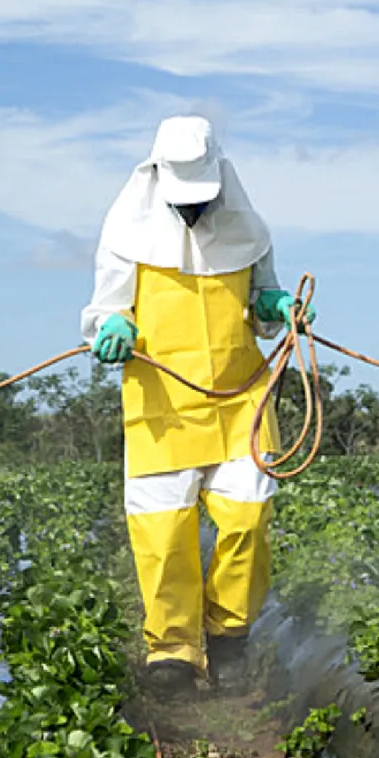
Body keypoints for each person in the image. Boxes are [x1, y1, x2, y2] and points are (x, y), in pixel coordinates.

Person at [81, 116, 310, 694]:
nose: (193, 213)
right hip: (162, 404)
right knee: (164, 533)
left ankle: (229, 635)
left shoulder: (247, 230)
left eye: (201, 201)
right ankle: (173, 651)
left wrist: (276, 305)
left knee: (249, 519)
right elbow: (106, 309)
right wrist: (111, 327)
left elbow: (260, 305)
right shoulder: (124, 233)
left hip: (240, 401)